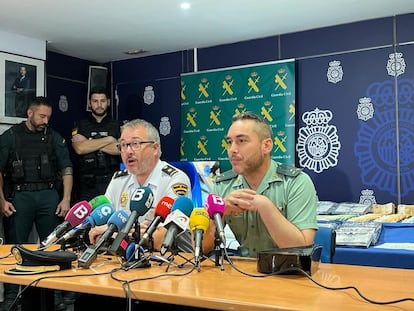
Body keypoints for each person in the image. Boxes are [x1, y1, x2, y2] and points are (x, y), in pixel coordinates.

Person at [203, 111, 318, 258]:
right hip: (243, 273)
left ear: (266, 146)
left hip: (287, 274)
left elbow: (302, 249)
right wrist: (219, 212)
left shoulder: (296, 182)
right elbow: (202, 248)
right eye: (229, 142)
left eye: (241, 141)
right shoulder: (222, 185)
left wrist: (265, 207)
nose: (232, 150)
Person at [0, 96, 73, 311]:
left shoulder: (53, 137)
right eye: (41, 116)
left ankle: (55, 294)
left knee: (52, 246)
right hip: (20, 197)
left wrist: (66, 198)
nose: (45, 121)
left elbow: (66, 168)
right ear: (29, 113)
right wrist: (2, 201)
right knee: (15, 246)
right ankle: (13, 295)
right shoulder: (10, 137)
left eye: (48, 117)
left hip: (48, 195)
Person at [89, 118, 192, 252]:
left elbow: (167, 235)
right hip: (119, 259)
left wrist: (117, 233)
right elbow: (99, 234)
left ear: (155, 148)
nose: (128, 151)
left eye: (135, 144)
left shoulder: (175, 180)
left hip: (160, 262)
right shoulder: (118, 180)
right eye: (123, 145)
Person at [71, 87, 121, 202]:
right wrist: (109, 139)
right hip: (87, 184)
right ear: (89, 103)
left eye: (102, 101)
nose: (99, 105)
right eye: (95, 101)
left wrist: (89, 142)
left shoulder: (117, 125)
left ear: (108, 102)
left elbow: (120, 149)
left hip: (111, 181)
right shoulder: (80, 125)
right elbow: (79, 148)